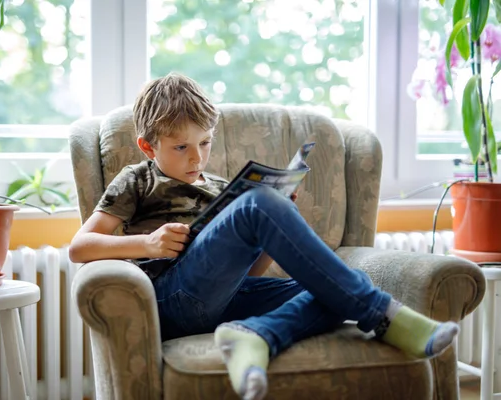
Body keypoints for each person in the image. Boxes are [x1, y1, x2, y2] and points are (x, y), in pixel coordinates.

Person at [69, 73, 459, 400]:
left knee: (341, 286)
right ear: (147, 146)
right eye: (181, 147)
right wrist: (147, 243)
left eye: (204, 143)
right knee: (260, 205)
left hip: (230, 298)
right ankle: (383, 313)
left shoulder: (222, 188)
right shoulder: (137, 179)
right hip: (173, 298)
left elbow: (251, 272)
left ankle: (258, 335)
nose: (196, 158)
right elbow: (80, 247)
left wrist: (276, 216)